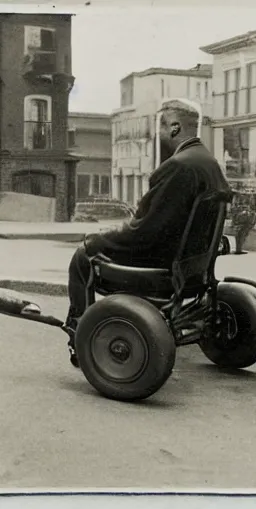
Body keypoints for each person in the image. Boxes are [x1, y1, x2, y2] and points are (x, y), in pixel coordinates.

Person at [64, 100, 232, 367]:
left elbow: (143, 232)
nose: (159, 136)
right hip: (194, 269)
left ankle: (80, 336)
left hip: (164, 271)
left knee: (84, 256)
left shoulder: (179, 166)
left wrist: (99, 239)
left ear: (175, 127)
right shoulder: (209, 163)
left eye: (161, 128)